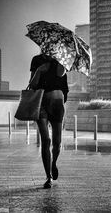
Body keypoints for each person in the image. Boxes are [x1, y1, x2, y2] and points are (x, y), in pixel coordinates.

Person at [29, 53, 69, 189]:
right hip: (41, 103)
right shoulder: (36, 60)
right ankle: (48, 176)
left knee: (57, 144)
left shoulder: (61, 61)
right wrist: (39, 70)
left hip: (58, 104)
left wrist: (61, 62)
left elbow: (64, 84)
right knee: (46, 140)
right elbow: (32, 84)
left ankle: (53, 163)